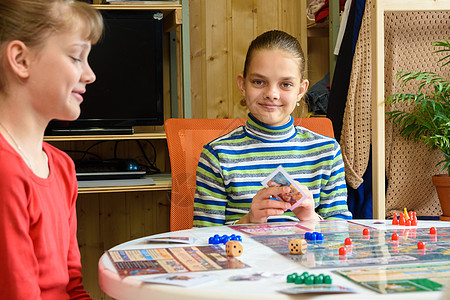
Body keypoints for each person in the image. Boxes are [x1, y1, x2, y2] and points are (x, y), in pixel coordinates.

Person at [193, 30, 352, 227]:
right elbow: (203, 239)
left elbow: (341, 234)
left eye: (285, 84)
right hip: (242, 257)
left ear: (301, 90)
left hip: (309, 256)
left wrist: (311, 219)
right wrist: (249, 221)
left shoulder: (328, 152)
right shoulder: (217, 154)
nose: (272, 94)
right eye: (259, 82)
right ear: (242, 85)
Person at [0, 0, 103, 298]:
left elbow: (71, 283)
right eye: (76, 57)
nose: (90, 74)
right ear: (21, 59)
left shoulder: (61, 166)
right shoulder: (6, 171)